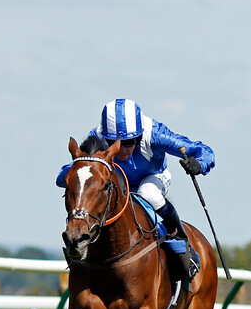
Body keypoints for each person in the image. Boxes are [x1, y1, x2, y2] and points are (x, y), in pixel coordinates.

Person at [57, 99, 215, 280]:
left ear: (139, 135)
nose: (123, 149)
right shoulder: (98, 136)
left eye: (130, 142)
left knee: (148, 194)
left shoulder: (155, 134)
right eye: (114, 142)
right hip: (117, 183)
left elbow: (203, 150)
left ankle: (180, 240)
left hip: (152, 177)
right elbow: (80, 170)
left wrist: (199, 164)